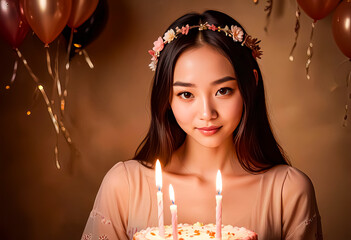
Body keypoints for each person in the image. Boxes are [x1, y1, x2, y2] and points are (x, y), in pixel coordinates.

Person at [81, 10, 322, 240]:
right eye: (186, 94)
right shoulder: (125, 186)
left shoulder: (287, 192)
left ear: (251, 84)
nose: (207, 113)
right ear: (167, 97)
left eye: (223, 91)